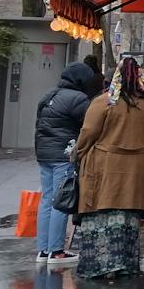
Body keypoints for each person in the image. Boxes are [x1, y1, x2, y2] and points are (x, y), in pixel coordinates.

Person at [71, 58, 144, 280]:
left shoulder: (104, 102)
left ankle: (98, 265)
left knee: (100, 212)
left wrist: (78, 153)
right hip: (137, 168)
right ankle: (125, 263)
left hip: (104, 166)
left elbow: (88, 133)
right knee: (129, 215)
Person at [32, 62, 98, 267]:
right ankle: (57, 252)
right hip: (63, 155)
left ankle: (43, 250)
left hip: (44, 154)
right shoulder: (78, 99)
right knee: (61, 201)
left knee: (47, 200)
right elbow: (89, 126)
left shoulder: (48, 95)